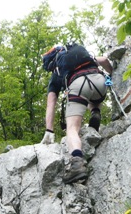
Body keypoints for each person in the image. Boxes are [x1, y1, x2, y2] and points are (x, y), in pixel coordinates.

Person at [41, 44, 114, 184]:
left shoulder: (57, 73)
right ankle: (95, 111)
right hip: (100, 83)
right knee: (92, 95)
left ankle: (77, 163)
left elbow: (51, 104)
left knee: (72, 128)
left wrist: (49, 130)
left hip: (78, 85)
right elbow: (104, 60)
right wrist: (111, 74)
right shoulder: (81, 57)